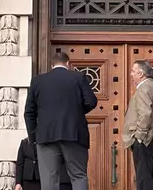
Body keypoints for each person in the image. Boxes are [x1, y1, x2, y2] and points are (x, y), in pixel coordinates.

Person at [24, 51, 98, 190]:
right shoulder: (78, 77)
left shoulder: (38, 81)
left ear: (52, 65)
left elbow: (29, 112)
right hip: (74, 134)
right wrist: (75, 113)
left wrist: (33, 137)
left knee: (49, 180)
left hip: (45, 136)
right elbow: (91, 101)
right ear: (68, 64)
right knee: (78, 176)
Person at [122, 61, 153, 190]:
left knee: (143, 180)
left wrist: (139, 136)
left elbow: (145, 113)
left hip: (144, 140)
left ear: (141, 74)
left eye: (133, 71)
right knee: (150, 179)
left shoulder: (144, 88)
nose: (131, 74)